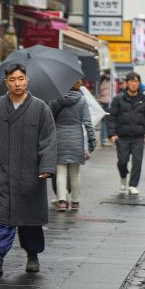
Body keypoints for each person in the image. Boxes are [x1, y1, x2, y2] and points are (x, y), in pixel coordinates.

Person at [0, 64, 57, 275]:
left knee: (30, 219)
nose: (17, 83)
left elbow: (48, 140)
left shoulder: (40, 108)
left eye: (21, 79)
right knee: (1, 214)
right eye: (12, 80)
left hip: (31, 173)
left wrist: (46, 166)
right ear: (6, 82)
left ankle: (32, 255)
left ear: (27, 80)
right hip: (2, 171)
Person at [50, 80, 96, 212]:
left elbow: (49, 119)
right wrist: (92, 141)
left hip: (59, 138)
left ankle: (62, 201)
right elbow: (87, 122)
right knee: (75, 173)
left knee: (60, 172)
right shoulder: (81, 100)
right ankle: (75, 201)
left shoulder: (56, 100)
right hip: (76, 139)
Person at [106, 72, 145, 196]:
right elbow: (111, 117)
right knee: (122, 161)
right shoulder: (118, 99)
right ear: (127, 83)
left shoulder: (144, 100)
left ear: (139, 83)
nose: (134, 84)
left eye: (136, 81)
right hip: (122, 136)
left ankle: (133, 185)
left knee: (137, 161)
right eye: (131, 81)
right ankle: (123, 176)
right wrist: (112, 134)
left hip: (138, 137)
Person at [98, 71, 112, 145]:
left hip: (103, 102)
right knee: (106, 121)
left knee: (104, 121)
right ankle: (105, 138)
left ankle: (104, 138)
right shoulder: (108, 82)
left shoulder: (102, 82)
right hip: (107, 102)